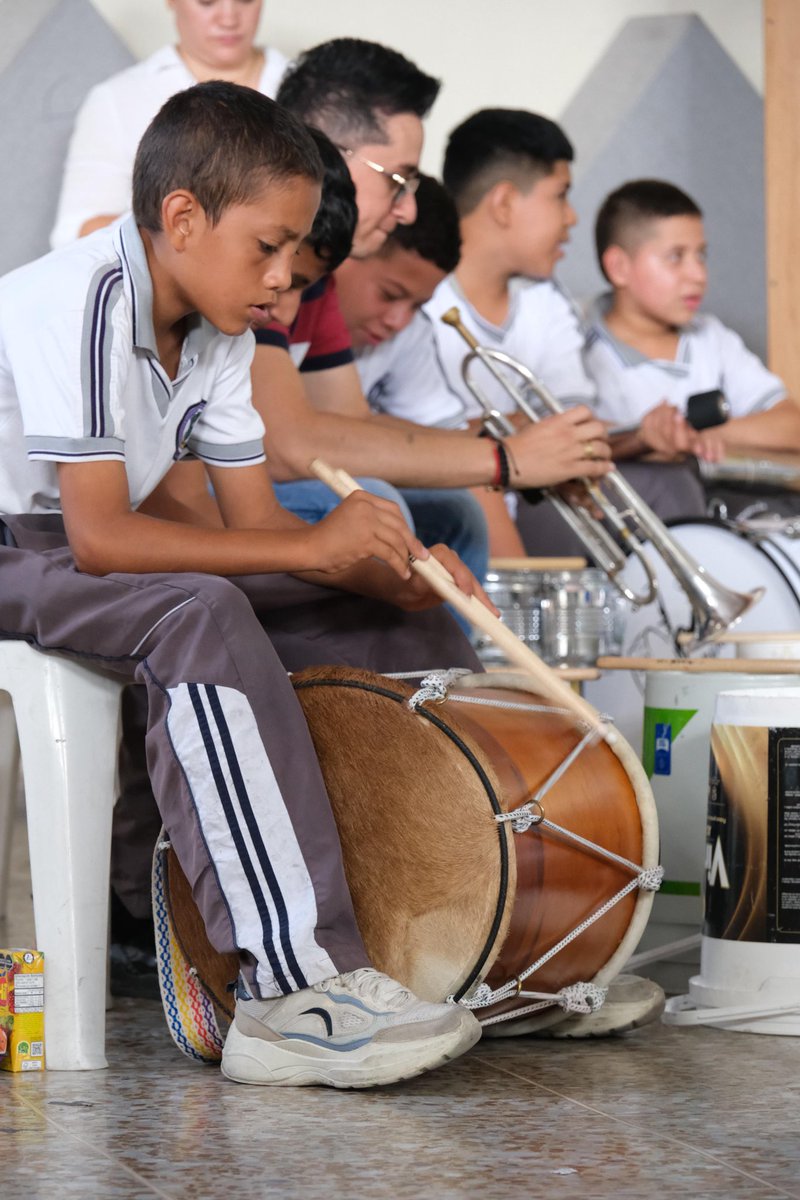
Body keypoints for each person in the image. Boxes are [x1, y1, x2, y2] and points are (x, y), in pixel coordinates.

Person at [1, 82, 485, 1087]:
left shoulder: (219, 332)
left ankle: (478, 941)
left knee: (382, 614)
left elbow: (250, 528)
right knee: (198, 612)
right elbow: (95, 538)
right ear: (180, 219)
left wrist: (370, 570)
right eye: (265, 248)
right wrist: (314, 548)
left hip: (81, 546)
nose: (283, 281)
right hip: (19, 542)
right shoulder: (85, 295)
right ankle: (289, 988)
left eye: (294, 255)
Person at [585, 178, 800, 516]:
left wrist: (707, 436)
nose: (698, 274)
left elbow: (791, 425)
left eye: (701, 255)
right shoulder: (579, 347)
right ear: (619, 267)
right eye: (676, 257)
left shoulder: (710, 338)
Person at [50, 0, 288, 248]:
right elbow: (74, 235)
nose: (228, 19)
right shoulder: (120, 98)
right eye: (206, 2)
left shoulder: (309, 88)